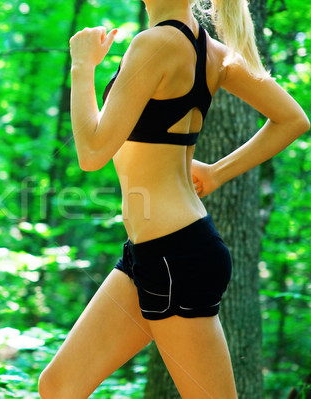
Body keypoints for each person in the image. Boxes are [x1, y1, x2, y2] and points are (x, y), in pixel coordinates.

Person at [38, 0, 309, 397]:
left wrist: (83, 65)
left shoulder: (155, 44)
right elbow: (292, 119)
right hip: (151, 254)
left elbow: (93, 153)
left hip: (174, 256)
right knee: (60, 386)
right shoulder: (213, 53)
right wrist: (214, 173)